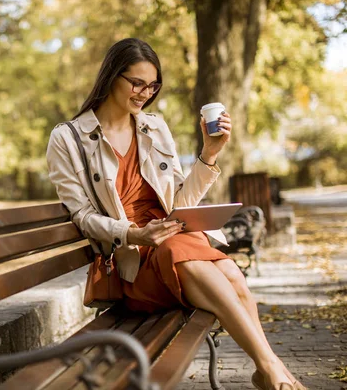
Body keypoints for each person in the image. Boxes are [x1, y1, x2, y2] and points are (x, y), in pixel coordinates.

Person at [46, 38, 303, 390]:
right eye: (137, 83)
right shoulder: (68, 138)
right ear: (110, 76)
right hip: (133, 262)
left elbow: (182, 199)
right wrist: (133, 233)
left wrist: (209, 155)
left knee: (229, 270)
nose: (144, 93)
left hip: (174, 242)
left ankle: (270, 370)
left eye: (153, 85)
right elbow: (82, 216)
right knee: (195, 258)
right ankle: (273, 373)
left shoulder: (154, 127)